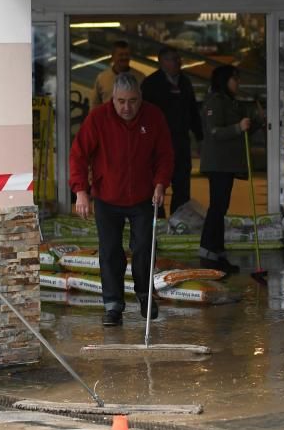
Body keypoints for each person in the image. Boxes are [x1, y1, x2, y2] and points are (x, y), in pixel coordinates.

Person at [70, 72, 174, 326]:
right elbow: (78, 155)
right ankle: (113, 304)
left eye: (133, 101)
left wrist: (161, 184)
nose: (127, 107)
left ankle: (145, 296)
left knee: (144, 248)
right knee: (110, 252)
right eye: (121, 101)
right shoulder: (98, 118)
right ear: (112, 99)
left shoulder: (154, 116)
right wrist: (80, 191)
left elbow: (165, 155)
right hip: (107, 196)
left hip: (144, 198)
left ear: (141, 98)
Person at [198, 65, 259, 274]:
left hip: (227, 163)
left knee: (221, 206)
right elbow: (214, 131)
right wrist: (237, 127)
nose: (238, 83)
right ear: (225, 80)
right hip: (218, 164)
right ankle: (209, 249)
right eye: (235, 79)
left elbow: (239, 130)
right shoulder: (215, 101)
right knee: (217, 206)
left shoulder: (230, 102)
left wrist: (254, 123)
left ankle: (217, 250)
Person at [141, 46, 204, 217]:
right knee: (157, 185)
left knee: (182, 184)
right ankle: (158, 221)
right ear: (162, 62)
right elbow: (143, 115)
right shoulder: (151, 84)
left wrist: (200, 137)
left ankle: (179, 220)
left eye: (178, 58)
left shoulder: (185, 82)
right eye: (173, 59)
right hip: (157, 145)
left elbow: (193, 112)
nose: (178, 62)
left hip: (181, 142)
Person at [91, 40, 145, 109]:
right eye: (121, 55)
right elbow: (95, 105)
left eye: (127, 54)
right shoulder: (102, 78)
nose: (124, 57)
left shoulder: (140, 78)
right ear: (113, 56)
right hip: (107, 119)